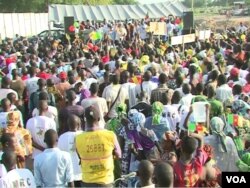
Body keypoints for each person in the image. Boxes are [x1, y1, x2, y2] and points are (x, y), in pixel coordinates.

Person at [76, 105, 121, 186]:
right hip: (106, 181)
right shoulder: (110, 135)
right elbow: (119, 155)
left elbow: (79, 156)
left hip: (87, 181)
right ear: (99, 119)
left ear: (85, 120)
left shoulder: (78, 139)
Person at [58, 114, 83, 187]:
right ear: (79, 124)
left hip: (69, 174)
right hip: (83, 172)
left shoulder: (62, 137)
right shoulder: (84, 135)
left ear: (68, 125)